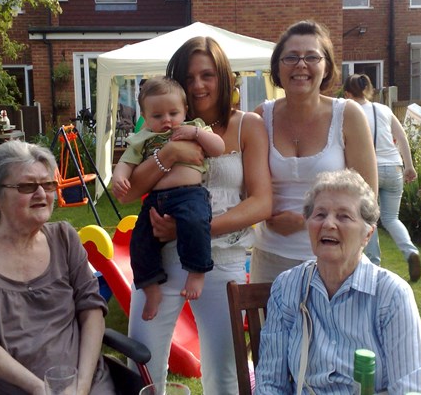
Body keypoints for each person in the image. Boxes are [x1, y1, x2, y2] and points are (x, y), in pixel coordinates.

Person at [112, 36, 272, 394]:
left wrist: (190, 231)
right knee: (144, 369)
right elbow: (132, 191)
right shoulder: (159, 126)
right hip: (160, 261)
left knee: (225, 374)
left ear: (224, 76)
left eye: (208, 75)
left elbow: (261, 203)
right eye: (189, 76)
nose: (198, 85)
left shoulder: (249, 125)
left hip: (222, 263)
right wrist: (166, 156)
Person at [0, 140, 115, 395]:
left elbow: (91, 309)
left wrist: (82, 386)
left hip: (84, 383)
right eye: (26, 186)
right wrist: (40, 388)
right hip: (12, 388)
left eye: (48, 185)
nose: (42, 194)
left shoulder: (65, 238)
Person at [255, 169, 421, 394]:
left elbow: (413, 388)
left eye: (344, 216)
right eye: (320, 215)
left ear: (367, 234)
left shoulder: (391, 295)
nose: (328, 224)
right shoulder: (288, 287)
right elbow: (270, 382)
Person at [250, 20, 378, 284]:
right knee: (272, 326)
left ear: (327, 66)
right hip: (271, 258)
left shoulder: (347, 115)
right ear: (277, 67)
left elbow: (368, 197)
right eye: (291, 57)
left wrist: (306, 220)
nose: (301, 65)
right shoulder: (262, 116)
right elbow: (247, 188)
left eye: (311, 57)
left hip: (335, 259)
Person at [112, 76, 225, 321]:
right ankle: (151, 288)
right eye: (157, 116)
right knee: (140, 241)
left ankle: (197, 270)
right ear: (145, 116)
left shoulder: (193, 128)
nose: (166, 120)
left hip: (189, 194)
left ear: (185, 110)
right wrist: (118, 177)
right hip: (155, 200)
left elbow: (218, 148)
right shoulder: (142, 139)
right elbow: (125, 162)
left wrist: (196, 132)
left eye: (173, 113)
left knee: (195, 224)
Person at [343, 73, 421, 281]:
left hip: (369, 170)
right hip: (394, 167)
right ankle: (410, 251)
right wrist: (409, 167)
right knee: (391, 218)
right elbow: (402, 136)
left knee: (369, 217)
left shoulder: (350, 112)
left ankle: (374, 264)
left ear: (348, 93)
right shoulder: (384, 110)